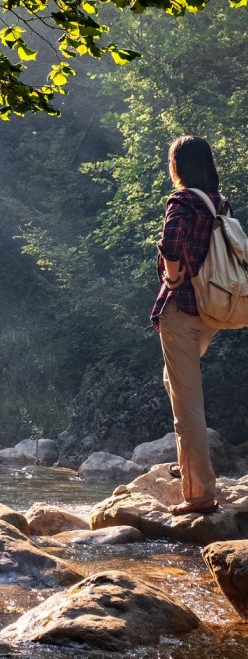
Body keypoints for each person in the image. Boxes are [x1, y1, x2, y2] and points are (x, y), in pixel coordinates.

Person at [150, 135, 221, 516]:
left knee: (187, 404)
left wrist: (173, 278)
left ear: (177, 165)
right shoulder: (217, 203)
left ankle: (199, 494)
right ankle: (191, 465)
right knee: (174, 383)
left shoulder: (183, 201)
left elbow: (172, 243)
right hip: (210, 309)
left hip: (182, 309)